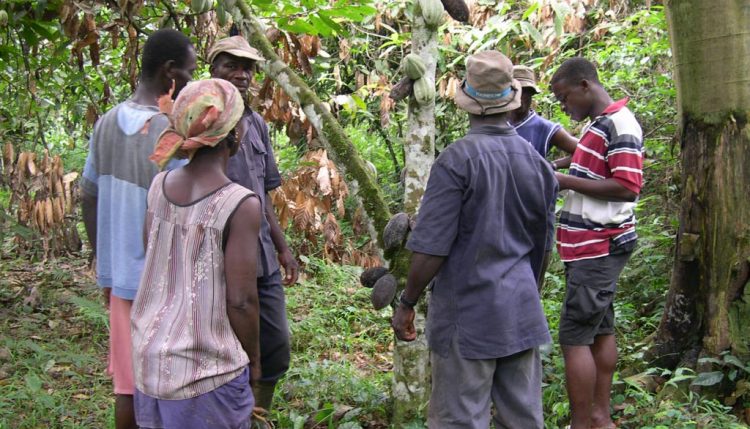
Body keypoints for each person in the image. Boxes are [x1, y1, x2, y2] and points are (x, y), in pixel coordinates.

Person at [391, 51, 557, 428]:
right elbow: (543, 245)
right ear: (511, 99)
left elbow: (432, 246)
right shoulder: (537, 163)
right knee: (523, 420)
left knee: (459, 418)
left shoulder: (456, 160)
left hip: (467, 314)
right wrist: (526, 289)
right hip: (521, 309)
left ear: (467, 100)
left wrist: (407, 302)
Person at [80, 29, 197, 429]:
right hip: (164, 282)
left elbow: (89, 195)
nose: (191, 81)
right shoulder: (171, 133)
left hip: (120, 282)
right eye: (189, 72)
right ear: (170, 72)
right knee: (168, 385)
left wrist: (103, 260)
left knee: (127, 387)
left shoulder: (107, 122)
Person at [131, 78, 262, 429]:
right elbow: (241, 301)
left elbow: (152, 253)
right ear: (232, 135)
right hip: (206, 374)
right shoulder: (241, 204)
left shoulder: (159, 186)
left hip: (150, 362)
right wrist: (254, 363)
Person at [207, 35, 298, 417]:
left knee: (275, 346)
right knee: (224, 346)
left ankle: (257, 415)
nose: (242, 74)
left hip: (261, 255)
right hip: (217, 255)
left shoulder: (256, 124)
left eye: (247, 67)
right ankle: (229, 415)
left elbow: (263, 193)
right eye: (232, 65)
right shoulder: (203, 121)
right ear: (213, 70)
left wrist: (282, 246)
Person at [550, 57, 643, 429]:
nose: (563, 105)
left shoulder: (620, 124)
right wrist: (555, 168)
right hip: (588, 249)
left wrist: (565, 182)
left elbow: (626, 187)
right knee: (600, 330)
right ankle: (600, 419)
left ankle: (581, 424)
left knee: (574, 339)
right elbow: (589, 166)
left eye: (564, 96)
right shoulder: (600, 125)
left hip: (598, 248)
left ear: (585, 86)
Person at [510, 64, 579, 290]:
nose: (521, 99)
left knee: (531, 286)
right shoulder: (496, 125)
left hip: (537, 219)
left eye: (526, 94)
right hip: (503, 220)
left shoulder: (542, 127)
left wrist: (550, 166)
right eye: (517, 92)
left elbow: (583, 152)